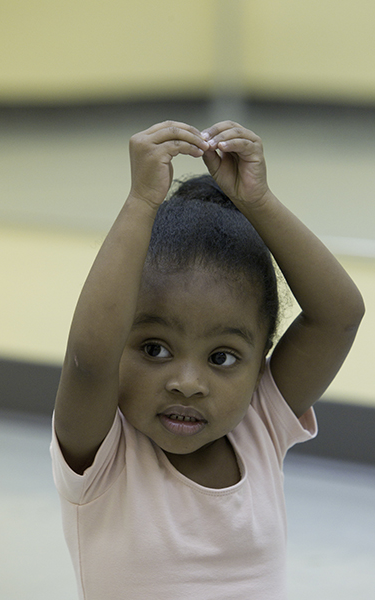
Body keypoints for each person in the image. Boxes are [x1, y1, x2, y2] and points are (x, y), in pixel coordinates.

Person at [50, 121, 364, 599]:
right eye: (155, 349)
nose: (188, 382)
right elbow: (89, 359)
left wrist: (259, 201)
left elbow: (340, 316)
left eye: (222, 357)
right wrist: (140, 203)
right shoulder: (103, 455)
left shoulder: (260, 424)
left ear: (261, 361)